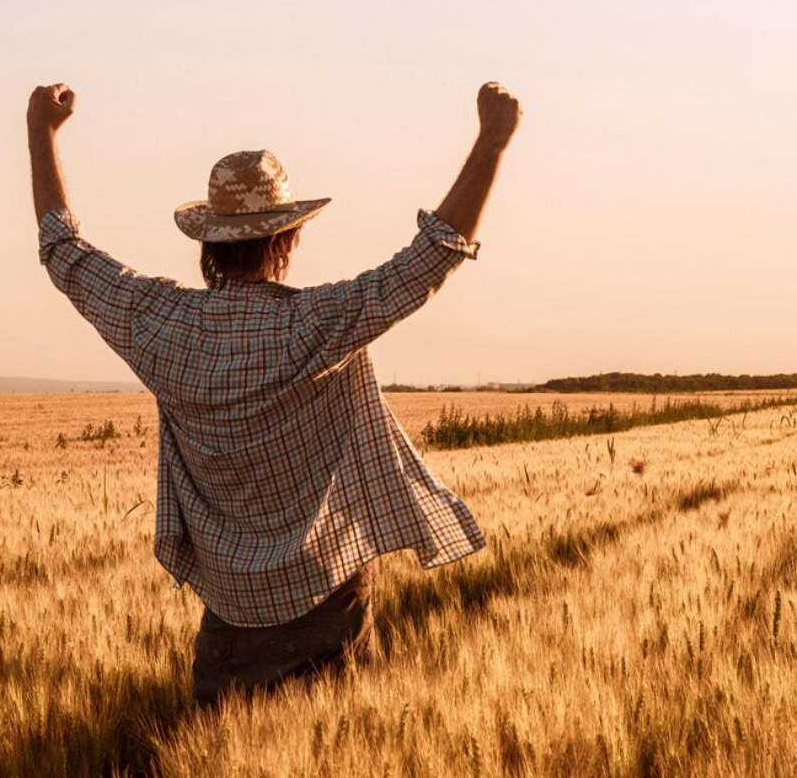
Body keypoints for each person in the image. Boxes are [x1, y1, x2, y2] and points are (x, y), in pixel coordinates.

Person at [26, 80, 521, 706]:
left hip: (228, 619)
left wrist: (40, 132)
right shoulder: (319, 322)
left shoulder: (157, 323)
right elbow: (431, 258)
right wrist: (493, 142)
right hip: (329, 605)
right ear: (287, 240)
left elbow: (62, 252)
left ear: (208, 245)